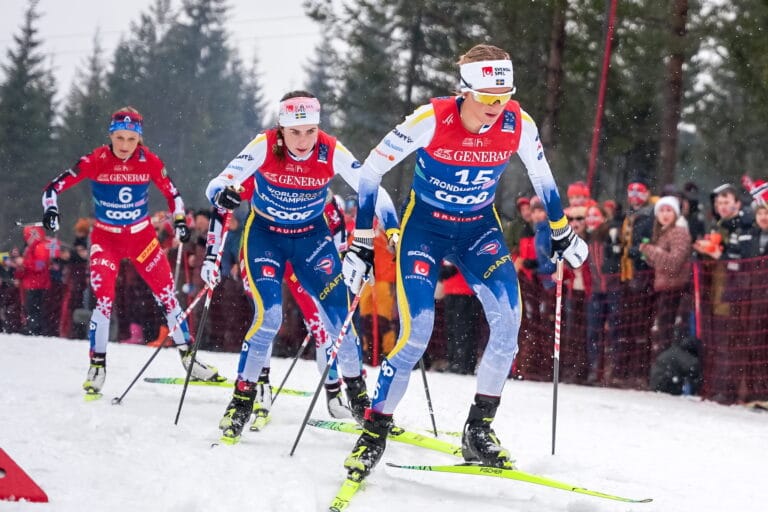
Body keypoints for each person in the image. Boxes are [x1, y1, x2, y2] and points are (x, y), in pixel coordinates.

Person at [339, 44, 588, 480]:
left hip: (478, 231)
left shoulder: (517, 123)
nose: (497, 107)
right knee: (418, 333)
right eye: (488, 97)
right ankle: (374, 430)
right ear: (465, 90)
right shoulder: (431, 118)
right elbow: (369, 173)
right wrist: (362, 240)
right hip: (425, 233)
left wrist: (562, 230)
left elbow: (543, 177)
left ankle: (479, 429)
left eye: (505, 95)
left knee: (510, 324)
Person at [202, 91, 399, 442]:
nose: (304, 141)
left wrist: (392, 224)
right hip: (266, 238)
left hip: (312, 239)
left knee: (340, 319)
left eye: (310, 131)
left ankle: (357, 397)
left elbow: (372, 187)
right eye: (295, 132)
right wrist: (222, 194)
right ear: (282, 129)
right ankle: (241, 400)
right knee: (270, 317)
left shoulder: (329, 148)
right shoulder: (264, 145)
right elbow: (218, 183)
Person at [40, 106, 221, 397]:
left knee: (167, 296)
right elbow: (52, 188)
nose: (124, 146)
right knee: (104, 301)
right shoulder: (96, 159)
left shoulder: (148, 160)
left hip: (141, 239)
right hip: (106, 240)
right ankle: (97, 365)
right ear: (111, 135)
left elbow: (173, 194)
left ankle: (189, 358)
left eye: (131, 139)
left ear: (139, 139)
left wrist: (179, 222)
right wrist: (51, 210)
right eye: (119, 138)